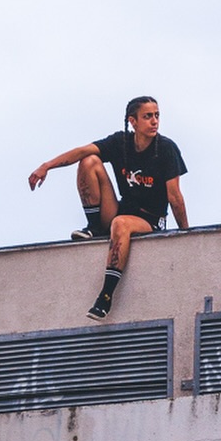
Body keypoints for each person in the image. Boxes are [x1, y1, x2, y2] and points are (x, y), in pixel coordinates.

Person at [28, 96, 189, 321]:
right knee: (89, 160)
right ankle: (94, 227)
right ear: (132, 121)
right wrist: (46, 166)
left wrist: (186, 235)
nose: (154, 121)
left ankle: (105, 296)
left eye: (157, 115)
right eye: (147, 116)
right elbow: (81, 151)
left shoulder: (166, 149)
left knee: (120, 223)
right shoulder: (120, 142)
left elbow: (175, 197)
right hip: (120, 211)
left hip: (150, 220)